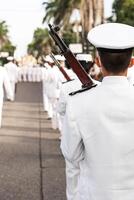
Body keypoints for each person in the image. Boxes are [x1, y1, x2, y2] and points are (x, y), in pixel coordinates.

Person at [61, 23, 134, 200]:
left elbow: (71, 154)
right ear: (132, 62)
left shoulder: (78, 101)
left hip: (93, 194)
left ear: (98, 61)